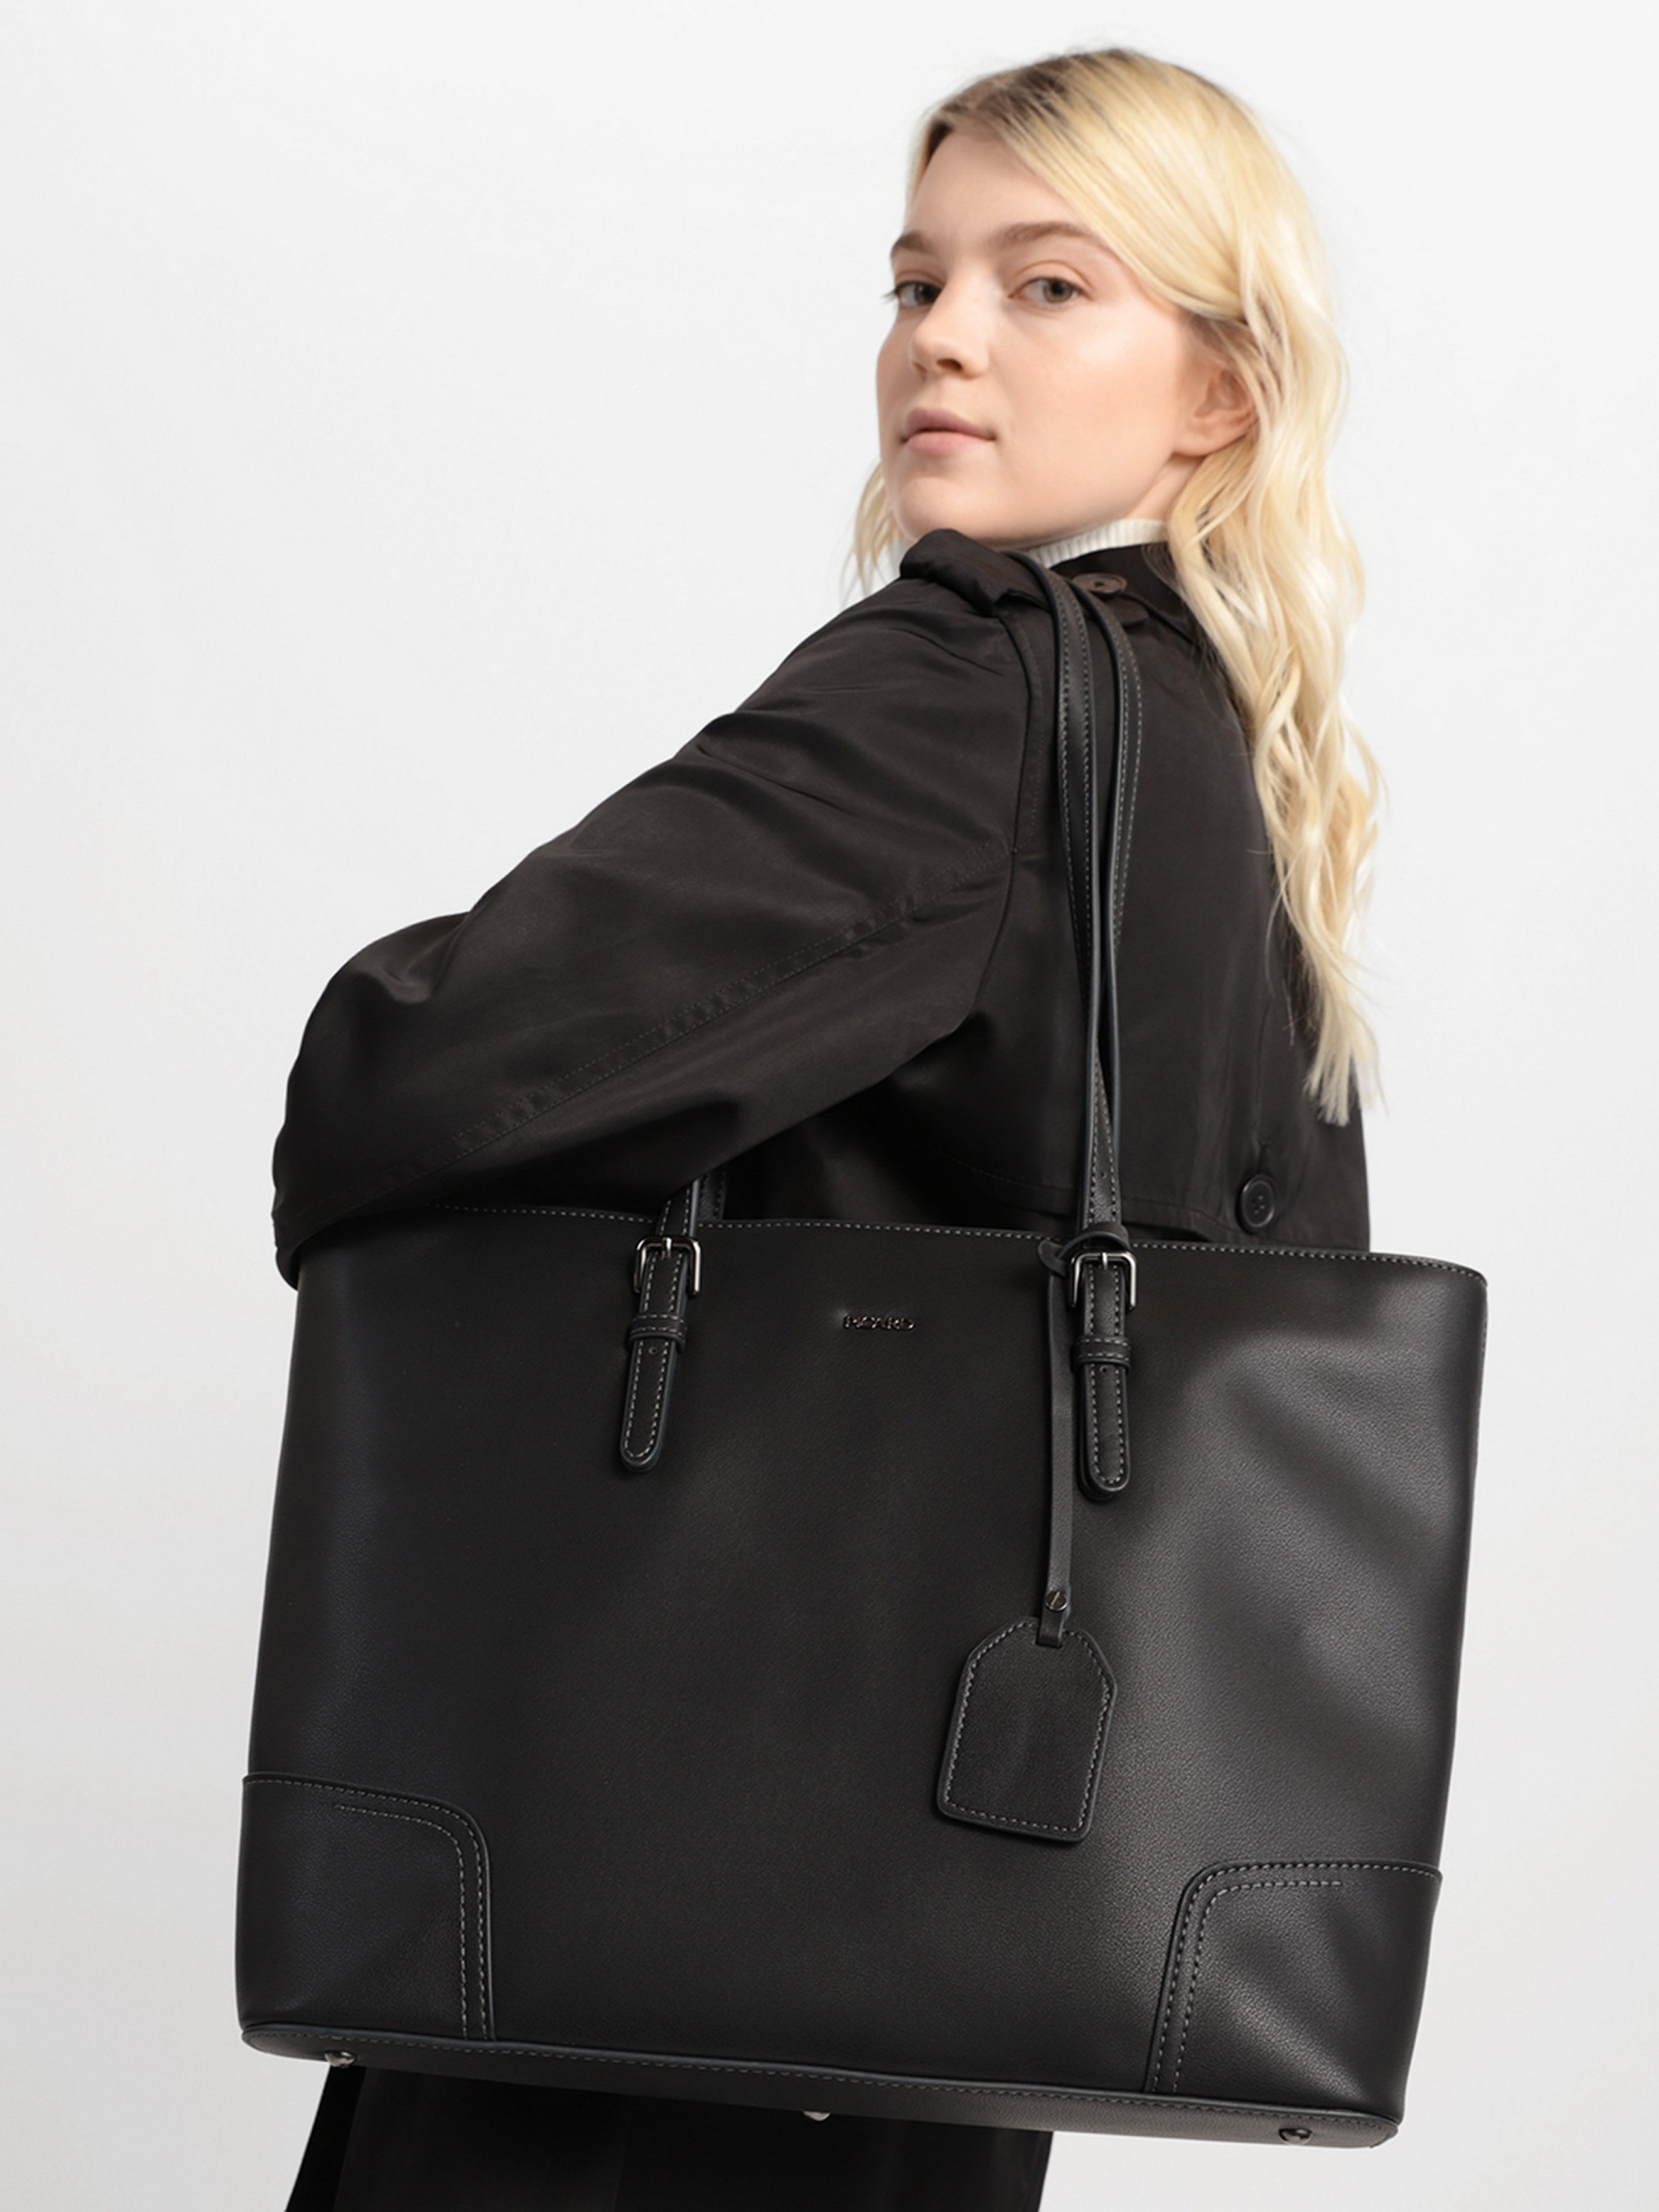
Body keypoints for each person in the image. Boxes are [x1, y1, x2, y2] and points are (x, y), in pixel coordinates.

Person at [269, 45, 1376, 2212]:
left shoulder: (971, 686)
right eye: (914, 279)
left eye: (1046, 285)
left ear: (1221, 391)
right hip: (959, 1932)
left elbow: (417, 1079)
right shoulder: (1212, 752)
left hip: (672, 1880)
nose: (941, 337)